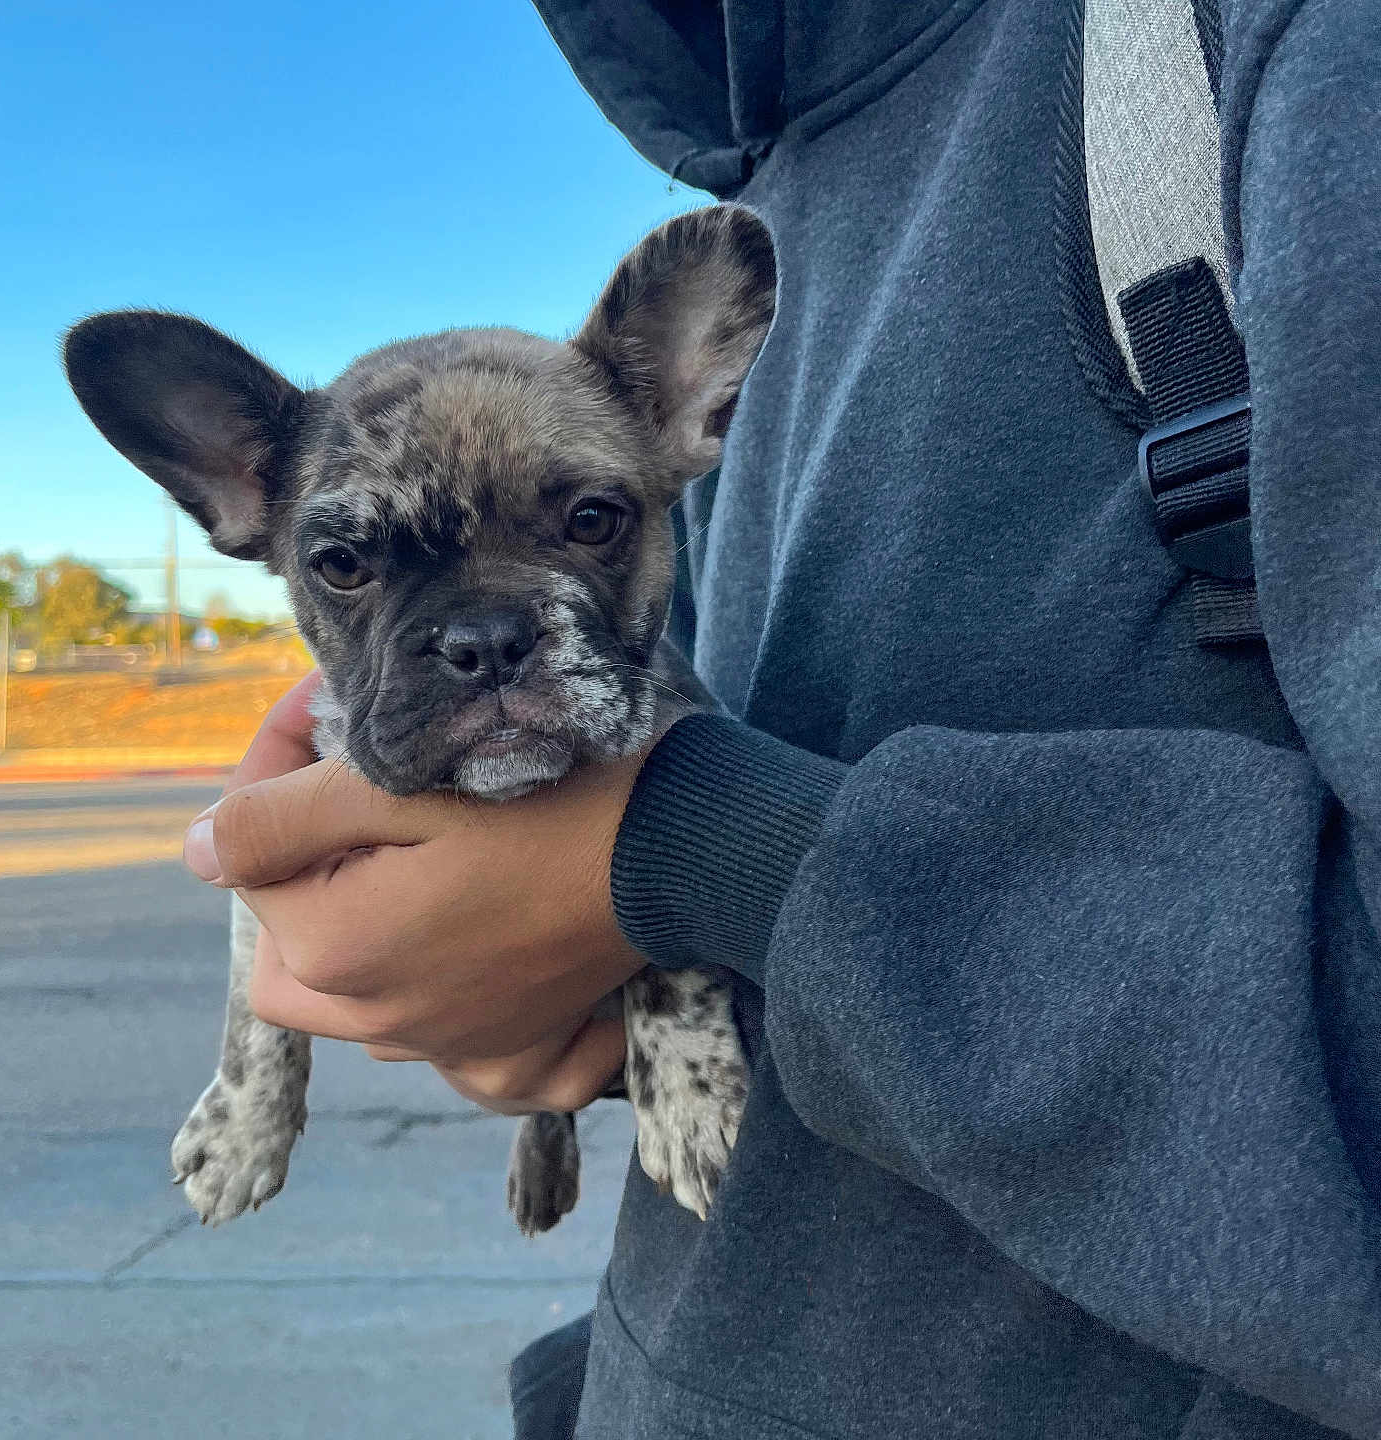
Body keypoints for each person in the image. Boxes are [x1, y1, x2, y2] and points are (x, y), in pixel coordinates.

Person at [180, 1, 1381, 1436]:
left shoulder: (1265, 57)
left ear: (685, 410)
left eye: (582, 523)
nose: (486, 632)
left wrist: (690, 855)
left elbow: (690, 828)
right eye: (355, 560)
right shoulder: (779, 176)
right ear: (240, 504)